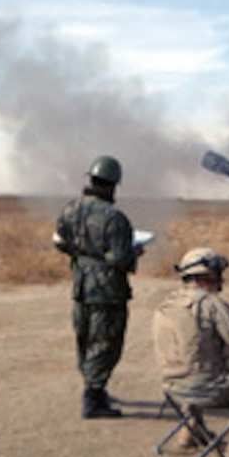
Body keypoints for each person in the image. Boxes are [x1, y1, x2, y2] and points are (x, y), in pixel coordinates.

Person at [153, 248, 229, 457]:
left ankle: (189, 433)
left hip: (173, 389)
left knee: (197, 370)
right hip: (207, 389)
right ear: (206, 275)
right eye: (218, 272)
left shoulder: (166, 305)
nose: (221, 278)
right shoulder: (211, 304)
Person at [54, 155, 140, 419]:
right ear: (113, 184)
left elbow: (60, 241)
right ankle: (92, 398)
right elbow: (120, 259)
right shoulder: (115, 218)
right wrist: (135, 253)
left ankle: (95, 388)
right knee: (106, 342)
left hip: (81, 286)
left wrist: (83, 257)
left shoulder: (70, 209)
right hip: (107, 291)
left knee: (85, 336)